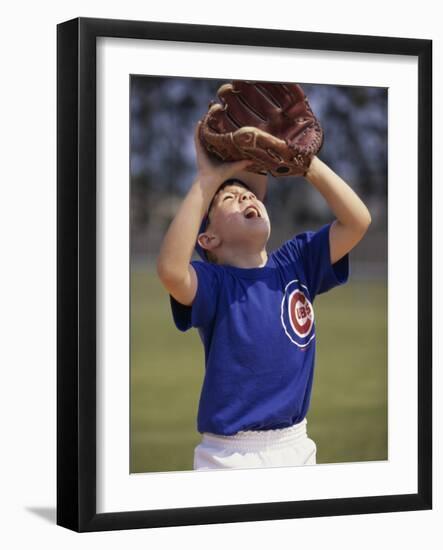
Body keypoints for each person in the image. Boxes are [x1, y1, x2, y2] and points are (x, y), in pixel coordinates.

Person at [156, 120, 371, 471]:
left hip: (296, 446)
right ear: (208, 240)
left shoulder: (297, 262)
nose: (246, 195)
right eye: (228, 198)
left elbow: (357, 221)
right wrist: (206, 181)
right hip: (228, 456)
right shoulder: (215, 283)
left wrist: (307, 164)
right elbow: (170, 270)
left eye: (251, 193)